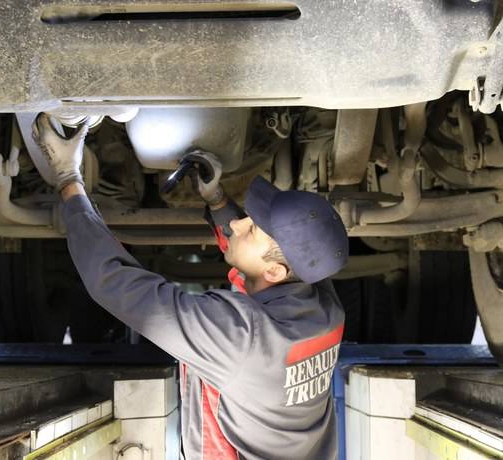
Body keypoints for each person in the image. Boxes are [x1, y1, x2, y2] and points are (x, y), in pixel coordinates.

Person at [33, 113, 349, 460]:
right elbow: (267, 260)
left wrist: (68, 180)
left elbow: (112, 280)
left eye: (253, 228)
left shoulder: (240, 337)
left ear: (275, 271)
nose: (240, 224)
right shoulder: (324, 308)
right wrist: (216, 200)